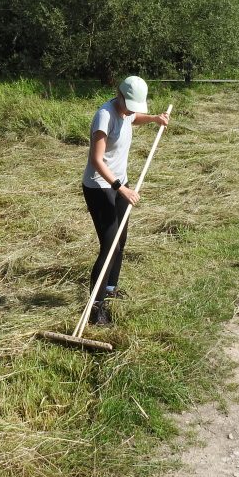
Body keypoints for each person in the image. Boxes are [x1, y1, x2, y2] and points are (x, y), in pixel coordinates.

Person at [82, 75, 170, 326]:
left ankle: (110, 289)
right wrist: (120, 188)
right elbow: (96, 161)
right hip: (100, 187)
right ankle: (95, 308)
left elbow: (134, 118)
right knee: (109, 247)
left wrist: (154, 119)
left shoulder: (126, 111)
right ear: (118, 94)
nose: (132, 109)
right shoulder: (105, 116)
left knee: (121, 240)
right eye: (128, 104)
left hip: (120, 184)